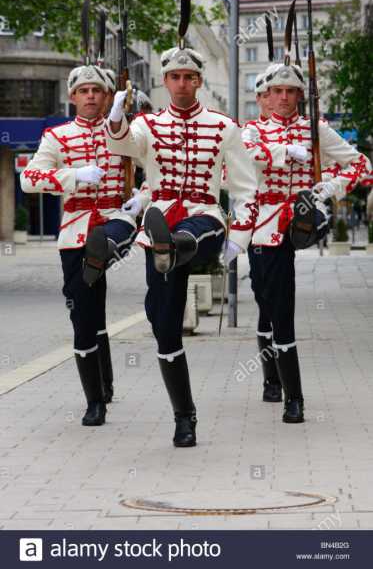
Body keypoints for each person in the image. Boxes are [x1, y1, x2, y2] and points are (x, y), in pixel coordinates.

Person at [105, 46, 258, 447]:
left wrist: (239, 238)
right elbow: (122, 146)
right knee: (164, 327)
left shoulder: (224, 126)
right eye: (175, 77)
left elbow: (244, 187)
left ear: (199, 81)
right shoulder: (149, 125)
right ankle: (184, 416)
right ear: (166, 81)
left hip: (204, 216)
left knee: (194, 232)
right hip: (161, 220)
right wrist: (117, 113)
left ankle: (173, 245)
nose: (183, 83)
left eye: (189, 77)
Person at [242, 63, 372, 424]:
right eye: (277, 91)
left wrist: (329, 186)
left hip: (299, 218)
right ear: (265, 96)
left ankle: (293, 397)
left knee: (282, 307)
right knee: (265, 299)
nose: (283, 97)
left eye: (291, 91)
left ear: (300, 94)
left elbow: (360, 164)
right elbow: (237, 165)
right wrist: (285, 152)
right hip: (263, 224)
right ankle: (270, 377)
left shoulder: (315, 130)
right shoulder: (251, 131)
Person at [21, 64, 146, 426]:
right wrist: (72, 175)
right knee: (84, 312)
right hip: (75, 228)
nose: (91, 95)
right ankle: (97, 394)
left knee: (104, 246)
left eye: (98, 90)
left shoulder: (124, 132)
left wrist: (140, 199)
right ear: (73, 96)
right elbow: (30, 178)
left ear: (109, 97)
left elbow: (155, 172)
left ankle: (98, 399)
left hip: (115, 218)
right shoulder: (57, 137)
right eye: (84, 90)